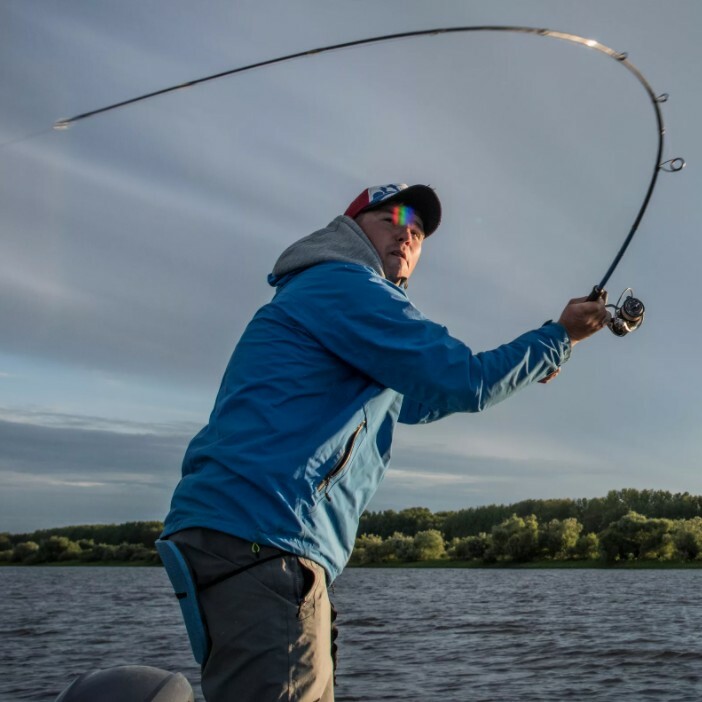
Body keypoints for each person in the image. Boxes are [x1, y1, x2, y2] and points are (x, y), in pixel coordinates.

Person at [160, 183, 609, 701]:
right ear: (350, 228)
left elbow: (416, 399)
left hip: (254, 537)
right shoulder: (342, 283)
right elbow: (464, 380)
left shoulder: (329, 297)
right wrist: (558, 337)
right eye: (391, 218)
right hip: (266, 537)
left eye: (418, 231)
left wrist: (536, 359)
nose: (406, 233)